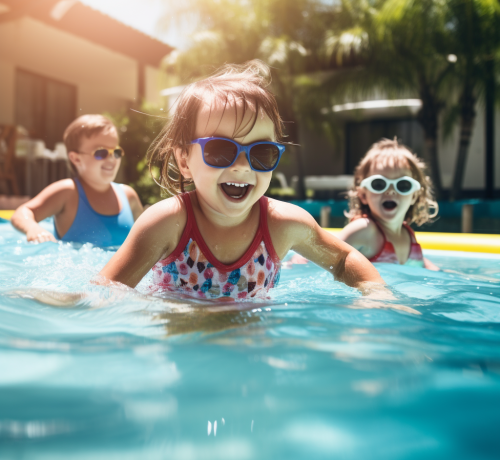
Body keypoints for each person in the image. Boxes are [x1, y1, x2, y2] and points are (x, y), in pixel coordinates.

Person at [98, 60, 389, 301]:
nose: (242, 166)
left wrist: (378, 296)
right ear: (184, 160)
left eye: (261, 152)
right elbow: (105, 292)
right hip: (184, 342)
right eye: (221, 150)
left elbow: (342, 260)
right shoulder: (166, 224)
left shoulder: (283, 224)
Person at [11, 115, 143, 247]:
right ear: (76, 159)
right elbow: (22, 212)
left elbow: (148, 237)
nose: (111, 159)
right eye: (101, 152)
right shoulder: (67, 192)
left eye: (116, 152)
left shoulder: (128, 195)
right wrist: (33, 228)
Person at [338, 138, 439, 270]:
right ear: (363, 195)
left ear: (414, 195)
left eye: (403, 185)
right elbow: (324, 258)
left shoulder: (408, 235)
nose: (390, 191)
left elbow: (421, 264)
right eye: (379, 184)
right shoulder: (364, 230)